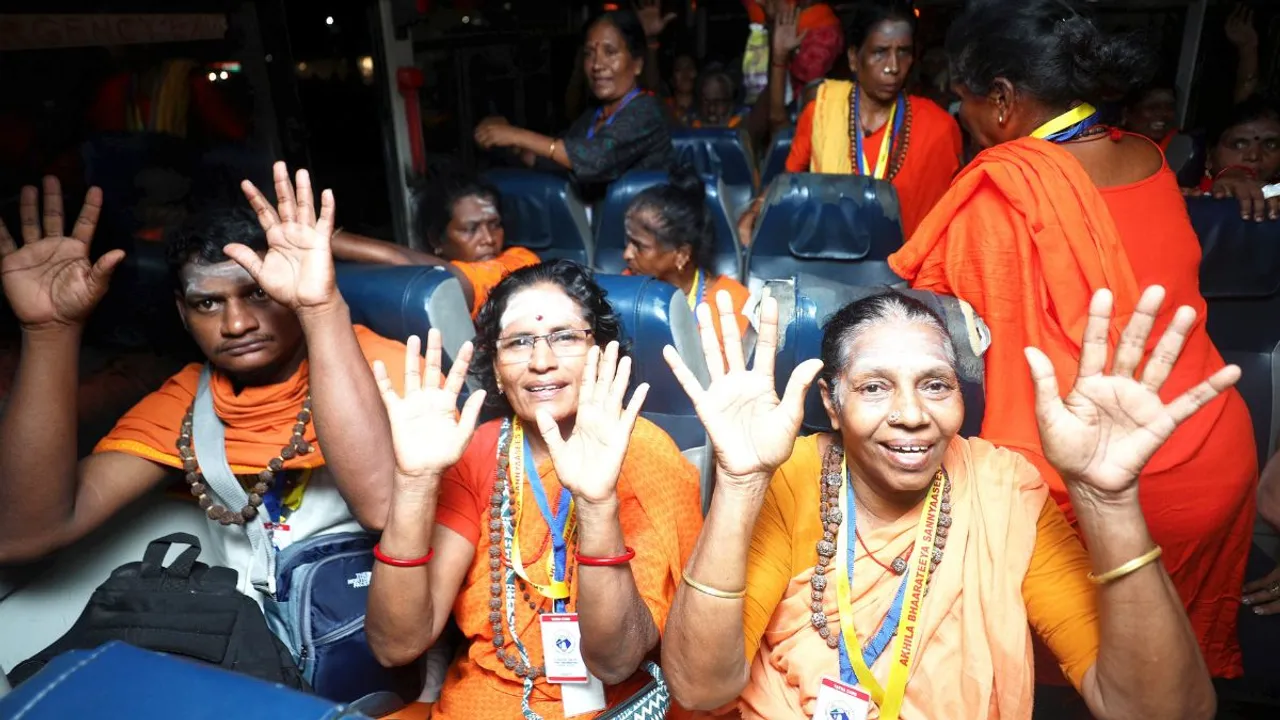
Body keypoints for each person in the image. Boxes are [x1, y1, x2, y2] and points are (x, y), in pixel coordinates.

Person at [887, 0, 1258, 686]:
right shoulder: (1150, 158)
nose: (963, 117)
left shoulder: (995, 199)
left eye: (964, 101)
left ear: (1000, 101)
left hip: (1085, 488)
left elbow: (931, 350)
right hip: (1211, 462)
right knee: (1169, 679)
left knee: (1071, 679)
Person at [659, 287, 1226, 719]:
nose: (912, 414)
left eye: (935, 384)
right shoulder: (791, 477)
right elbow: (700, 686)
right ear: (831, 404)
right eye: (875, 386)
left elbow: (1162, 711)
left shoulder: (1003, 490)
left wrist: (1110, 500)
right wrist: (739, 482)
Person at [0, 165, 407, 596]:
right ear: (182, 313)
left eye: (258, 294)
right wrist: (49, 333)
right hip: (254, 635)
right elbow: (23, 535)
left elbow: (383, 510)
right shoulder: (189, 403)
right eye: (208, 303)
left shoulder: (384, 366)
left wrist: (319, 308)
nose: (236, 325)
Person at [364, 260, 704, 719]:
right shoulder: (479, 451)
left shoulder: (645, 455)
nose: (542, 362)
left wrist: (596, 503)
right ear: (499, 371)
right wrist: (414, 482)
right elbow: (396, 645)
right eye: (519, 343)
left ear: (600, 353)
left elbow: (616, 660)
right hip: (479, 702)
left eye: (564, 337)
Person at [741, 0, 962, 242]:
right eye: (880, 52)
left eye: (903, 52)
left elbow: (949, 222)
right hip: (832, 261)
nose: (893, 66)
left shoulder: (938, 128)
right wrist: (755, 210)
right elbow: (788, 180)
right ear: (854, 58)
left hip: (907, 273)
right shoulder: (823, 112)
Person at [475, 10, 675, 201]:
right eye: (589, 54)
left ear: (637, 64)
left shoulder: (646, 111)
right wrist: (508, 141)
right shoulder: (592, 117)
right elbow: (552, 160)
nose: (597, 65)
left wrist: (516, 134)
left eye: (610, 52)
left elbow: (595, 159)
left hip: (643, 232)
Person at [331, 174, 539, 316]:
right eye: (470, 229)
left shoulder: (520, 261)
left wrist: (330, 239)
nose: (488, 239)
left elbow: (446, 281)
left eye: (494, 225)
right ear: (436, 240)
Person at [622, 169, 749, 354]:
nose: (626, 254)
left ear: (681, 255)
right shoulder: (625, 287)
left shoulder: (732, 304)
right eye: (627, 242)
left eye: (638, 246)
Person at [1187, 96, 1280, 222]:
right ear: (1209, 157)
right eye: (1239, 145)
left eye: (1270, 145)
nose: (1254, 156)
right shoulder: (1186, 200)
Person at [1121, 85, 1178, 152]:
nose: (1163, 114)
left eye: (1169, 108)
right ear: (1127, 113)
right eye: (1153, 108)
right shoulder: (1110, 147)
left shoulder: (1181, 147)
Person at [666, 52, 699, 126]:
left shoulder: (704, 108)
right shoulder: (663, 108)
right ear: (672, 78)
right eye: (679, 69)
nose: (685, 72)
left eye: (689, 68)